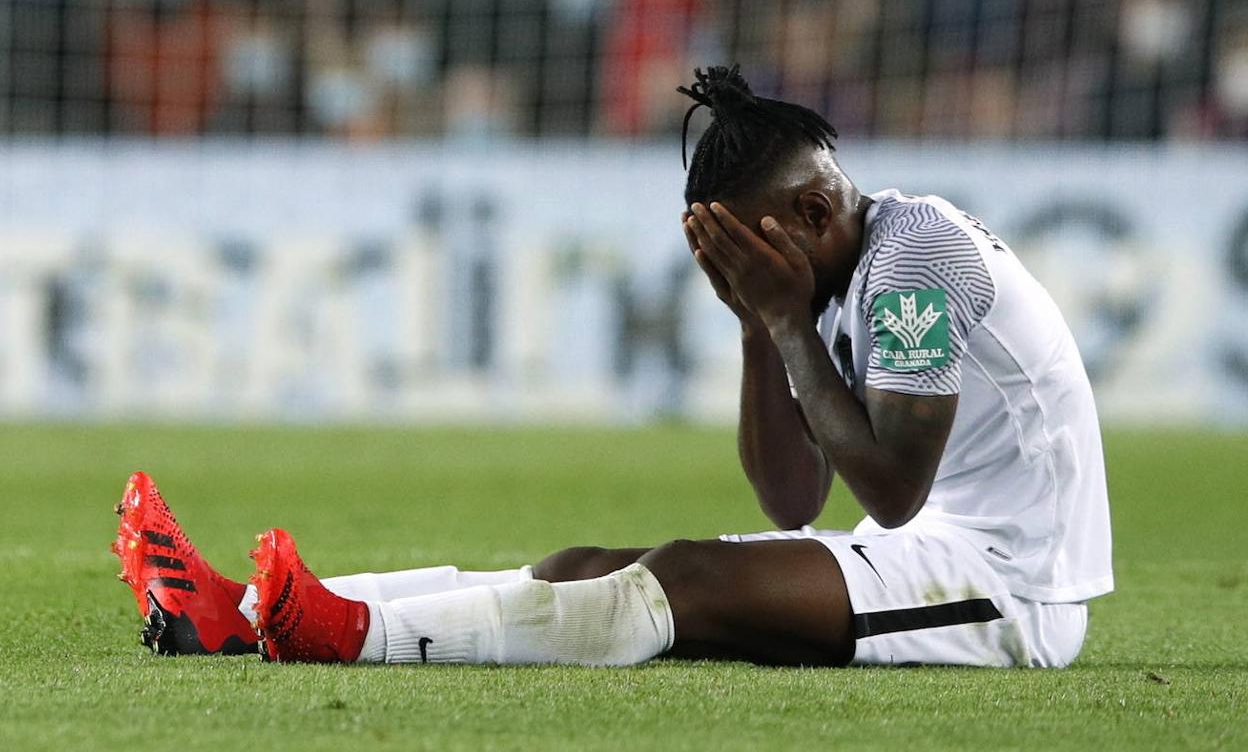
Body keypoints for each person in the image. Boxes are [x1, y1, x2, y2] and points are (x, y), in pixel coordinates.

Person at [111, 65, 1112, 668]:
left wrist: (784, 320)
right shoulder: (830, 270)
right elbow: (793, 498)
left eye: (755, 248)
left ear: (813, 210)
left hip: (1014, 591)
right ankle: (237, 611)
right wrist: (758, 325)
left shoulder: (916, 261)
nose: (752, 270)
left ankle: (349, 631)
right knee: (582, 567)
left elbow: (889, 492)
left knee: (675, 576)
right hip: (941, 552)